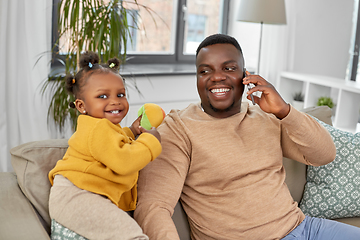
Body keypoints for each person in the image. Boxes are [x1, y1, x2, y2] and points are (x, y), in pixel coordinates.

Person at [134, 34, 360, 239]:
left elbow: (324, 154)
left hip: (305, 228)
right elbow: (153, 207)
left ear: (246, 75)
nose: (216, 77)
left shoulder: (267, 115)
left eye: (228, 68)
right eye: (205, 71)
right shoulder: (177, 128)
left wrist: (284, 111)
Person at [48, 51, 161, 240]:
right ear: (81, 106)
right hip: (78, 196)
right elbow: (124, 160)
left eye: (120, 94)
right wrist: (151, 141)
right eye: (102, 96)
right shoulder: (97, 128)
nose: (115, 100)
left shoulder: (101, 128)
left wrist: (132, 132)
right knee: (132, 236)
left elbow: (110, 145)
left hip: (81, 196)